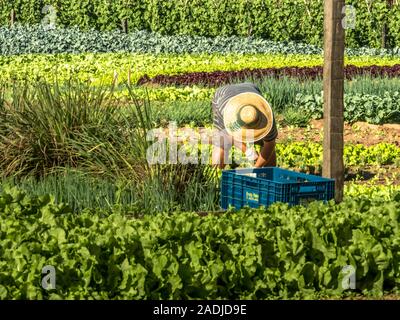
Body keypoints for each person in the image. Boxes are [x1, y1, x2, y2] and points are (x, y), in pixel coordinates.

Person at [211, 82, 278, 169]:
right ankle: (216, 176)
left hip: (250, 88)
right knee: (222, 143)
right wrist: (248, 151)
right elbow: (229, 136)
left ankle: (269, 177)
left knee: (267, 146)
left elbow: (270, 145)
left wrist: (256, 168)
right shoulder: (226, 112)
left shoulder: (267, 116)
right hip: (223, 95)